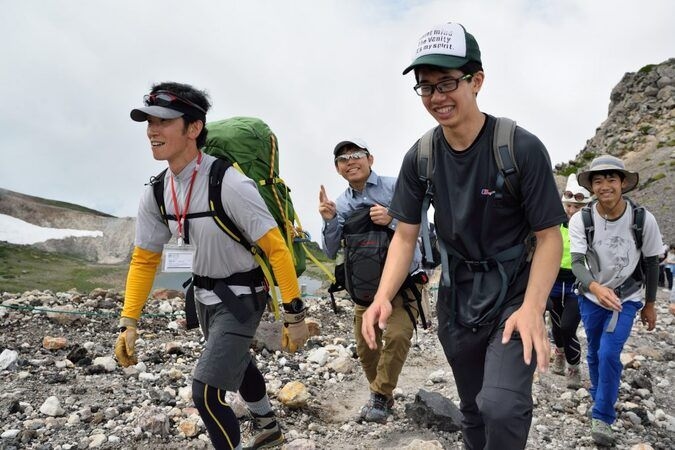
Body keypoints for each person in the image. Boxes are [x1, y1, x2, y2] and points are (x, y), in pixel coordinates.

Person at [361, 22, 566, 449]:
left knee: (502, 406)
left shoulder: (519, 148)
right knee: (472, 409)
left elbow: (549, 237)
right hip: (457, 300)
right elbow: (404, 235)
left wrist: (532, 309)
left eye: (448, 83)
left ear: (477, 81)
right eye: (426, 87)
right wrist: (382, 297)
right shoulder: (421, 157)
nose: (437, 97)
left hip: (513, 296)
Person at [113, 82, 309, 450]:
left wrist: (294, 315)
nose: (152, 130)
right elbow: (144, 259)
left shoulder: (229, 183)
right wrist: (129, 322)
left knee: (205, 392)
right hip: (203, 298)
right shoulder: (157, 192)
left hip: (242, 297)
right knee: (237, 362)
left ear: (194, 128)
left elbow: (276, 249)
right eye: (149, 121)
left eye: (164, 121)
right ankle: (268, 426)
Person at [318, 139, 424, 423]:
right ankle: (385, 396)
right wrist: (329, 220)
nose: (350, 161)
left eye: (356, 155)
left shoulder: (395, 187)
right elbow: (330, 251)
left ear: (370, 159)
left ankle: (378, 397)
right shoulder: (340, 204)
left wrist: (392, 219)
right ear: (338, 169)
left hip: (406, 283)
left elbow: (420, 228)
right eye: (343, 158)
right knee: (366, 349)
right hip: (365, 289)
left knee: (399, 335)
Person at [570, 154, 663, 446]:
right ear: (592, 187)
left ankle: (602, 415)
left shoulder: (642, 219)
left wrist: (649, 304)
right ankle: (603, 393)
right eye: (598, 180)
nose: (605, 186)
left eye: (611, 179)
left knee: (610, 352)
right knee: (595, 351)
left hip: (627, 297)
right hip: (591, 295)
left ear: (623, 183)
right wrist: (596, 288)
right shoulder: (581, 219)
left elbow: (651, 263)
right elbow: (577, 263)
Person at [548, 174, 591, 389]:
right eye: (569, 206)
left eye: (577, 206)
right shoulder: (554, 224)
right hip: (553, 282)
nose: (572, 210)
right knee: (556, 327)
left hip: (576, 284)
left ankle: (574, 368)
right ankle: (559, 354)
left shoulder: (590, 228)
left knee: (567, 327)